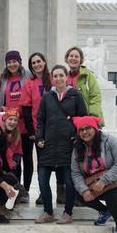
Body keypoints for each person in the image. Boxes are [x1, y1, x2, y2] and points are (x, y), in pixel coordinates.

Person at [71, 116, 117, 233]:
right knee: (78, 194)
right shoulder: (77, 148)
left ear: (95, 128)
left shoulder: (110, 141)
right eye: (81, 129)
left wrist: (104, 181)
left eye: (88, 128)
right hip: (97, 182)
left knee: (110, 194)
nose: (85, 132)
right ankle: (105, 212)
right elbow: (75, 173)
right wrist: (84, 190)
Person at [35, 65, 87, 224]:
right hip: (48, 145)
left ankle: (68, 212)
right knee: (42, 180)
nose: (58, 79)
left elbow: (83, 120)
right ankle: (48, 212)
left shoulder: (76, 96)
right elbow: (40, 121)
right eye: (55, 76)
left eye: (61, 76)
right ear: (52, 78)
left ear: (66, 77)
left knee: (69, 182)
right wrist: (39, 138)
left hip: (68, 146)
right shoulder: (46, 97)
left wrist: (77, 138)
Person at [0, 50, 32, 201]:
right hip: (10, 125)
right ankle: (15, 188)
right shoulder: (4, 78)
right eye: (9, 62)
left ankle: (26, 190)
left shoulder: (27, 76)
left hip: (25, 125)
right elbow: (2, 100)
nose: (12, 64)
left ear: (20, 62)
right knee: (12, 159)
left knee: (27, 158)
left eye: (14, 61)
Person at [19, 52, 53, 204]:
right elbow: (26, 108)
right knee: (27, 161)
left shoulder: (53, 79)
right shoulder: (29, 83)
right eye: (33, 63)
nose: (36, 65)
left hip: (50, 129)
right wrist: (31, 132)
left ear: (44, 62)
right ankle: (25, 191)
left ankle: (43, 193)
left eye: (39, 61)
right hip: (32, 129)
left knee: (43, 163)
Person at [65, 46, 104, 120]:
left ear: (81, 60)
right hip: (68, 119)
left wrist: (93, 117)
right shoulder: (64, 77)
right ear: (67, 59)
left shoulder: (88, 75)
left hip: (84, 119)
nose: (73, 58)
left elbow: (95, 96)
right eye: (71, 56)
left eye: (76, 56)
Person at [2, 107, 22, 181]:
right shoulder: (0, 133)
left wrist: (15, 162)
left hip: (12, 164)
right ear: (5, 120)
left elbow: (18, 152)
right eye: (10, 119)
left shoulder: (17, 135)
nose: (13, 122)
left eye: (15, 120)